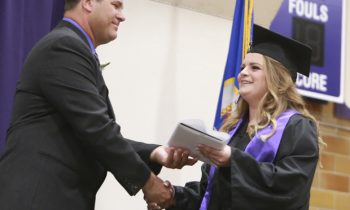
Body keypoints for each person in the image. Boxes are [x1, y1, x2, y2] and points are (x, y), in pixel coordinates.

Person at [0, 0, 197, 209]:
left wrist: (154, 153)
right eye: (116, 5)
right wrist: (148, 183)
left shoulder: (73, 48)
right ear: (88, 2)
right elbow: (96, 129)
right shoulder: (64, 46)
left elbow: (88, 135)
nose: (122, 16)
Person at [148, 24, 324, 210]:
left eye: (254, 67)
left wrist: (234, 160)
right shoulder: (231, 130)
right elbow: (209, 195)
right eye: (242, 67)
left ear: (277, 78)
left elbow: (291, 190)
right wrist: (173, 197)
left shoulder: (297, 127)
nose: (242, 74)